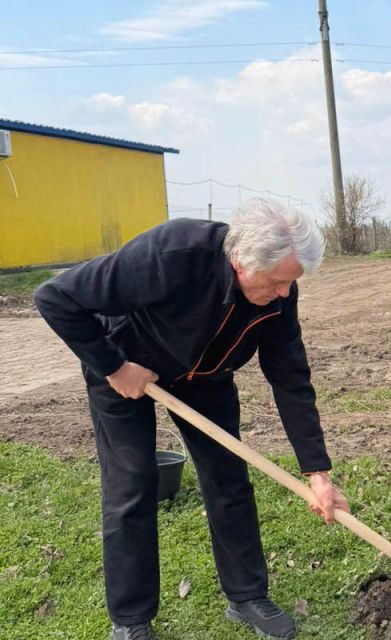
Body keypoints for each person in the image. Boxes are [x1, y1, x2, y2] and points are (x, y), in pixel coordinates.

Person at [35, 198, 349, 640]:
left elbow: (290, 375)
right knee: (132, 483)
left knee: (228, 476)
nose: (284, 293)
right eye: (278, 281)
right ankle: (130, 621)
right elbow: (55, 297)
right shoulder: (172, 253)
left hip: (205, 373)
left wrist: (317, 471)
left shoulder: (280, 293)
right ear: (242, 262)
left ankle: (247, 597)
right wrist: (114, 365)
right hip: (127, 364)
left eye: (291, 283)